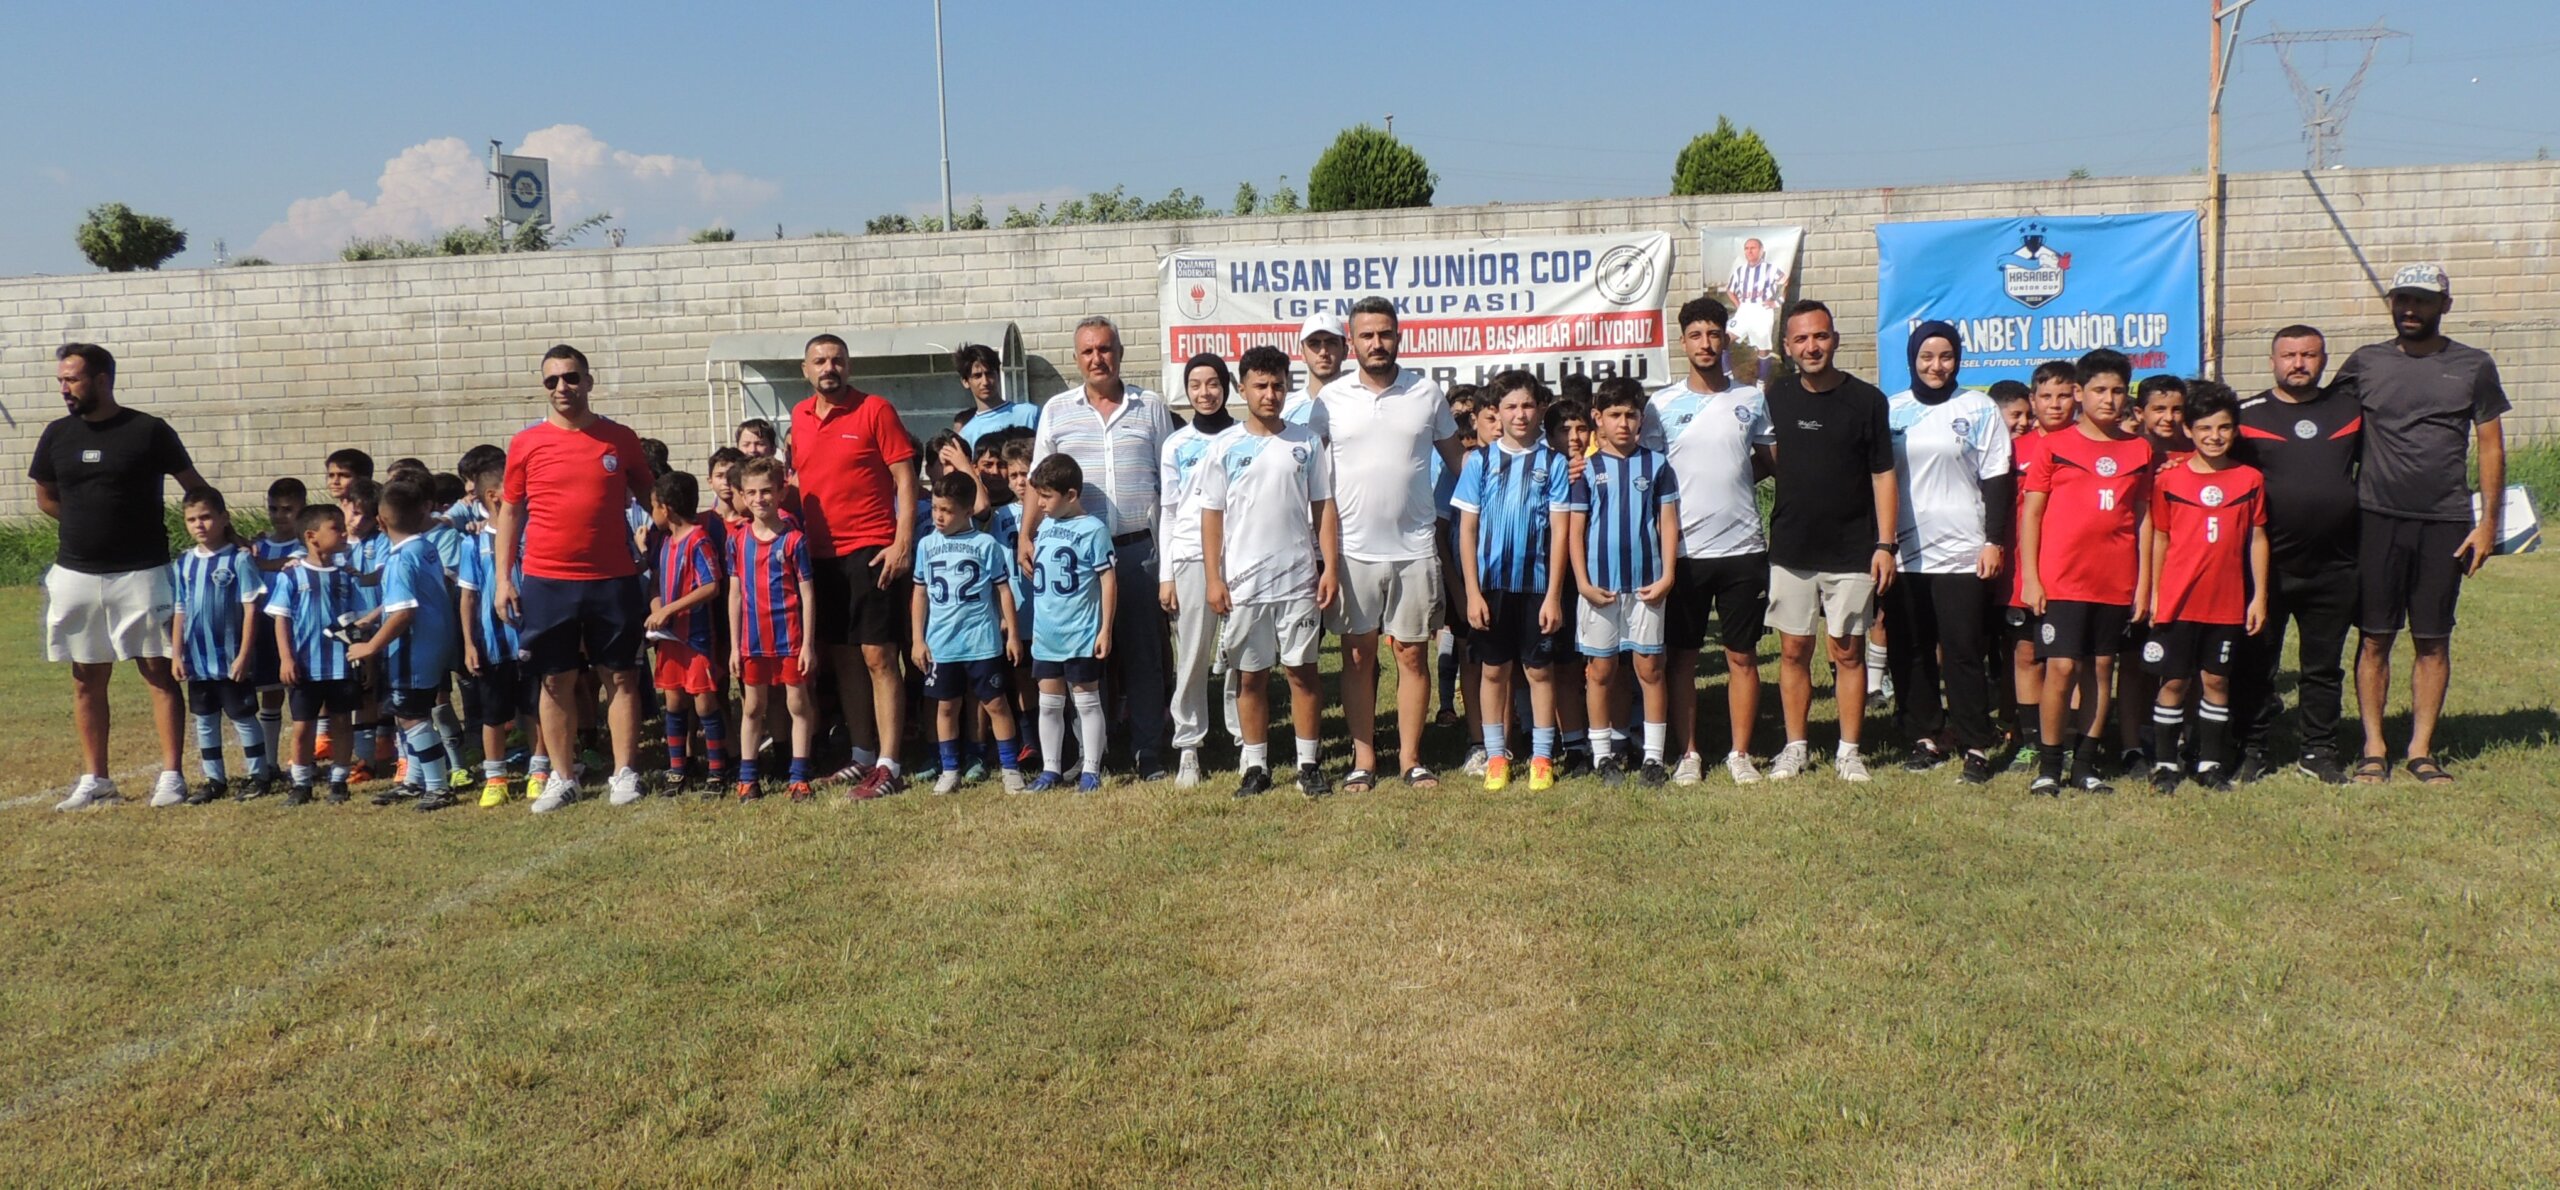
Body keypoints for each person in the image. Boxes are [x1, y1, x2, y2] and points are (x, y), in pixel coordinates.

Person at [2327, 264, 2509, 786]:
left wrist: (2487, 523)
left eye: (2423, 300)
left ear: (2444, 306)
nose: (2411, 309)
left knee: (2432, 640)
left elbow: (2491, 444)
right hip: (2375, 518)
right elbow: (2325, 427)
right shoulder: (2365, 362)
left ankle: (2422, 750)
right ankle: (2373, 747)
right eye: (2403, 298)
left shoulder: (2473, 365)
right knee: (2375, 637)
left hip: (2446, 520)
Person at [31, 343, 209, 810]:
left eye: (71, 379)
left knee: (158, 672)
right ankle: (97, 780)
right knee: (86, 678)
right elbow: (45, 497)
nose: (63, 388)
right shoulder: (56, 434)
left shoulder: (148, 431)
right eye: (60, 380)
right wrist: (86, 525)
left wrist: (216, 534)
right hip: (75, 574)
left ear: (102, 379)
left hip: (143, 571)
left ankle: (171, 775)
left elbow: (196, 488)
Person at [492, 344, 658, 814]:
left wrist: (669, 538)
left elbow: (652, 497)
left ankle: (624, 772)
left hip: (613, 577)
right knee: (554, 680)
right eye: (552, 381)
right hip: (547, 579)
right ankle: (562, 777)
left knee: (621, 676)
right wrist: (503, 579)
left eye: (570, 377)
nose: (562, 388)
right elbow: (511, 512)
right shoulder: (526, 443)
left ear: (588, 380)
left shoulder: (619, 438)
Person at [1310, 296, 1462, 791]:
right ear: (1351, 341)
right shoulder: (1329, 402)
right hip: (1352, 552)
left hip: (1415, 549)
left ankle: (1411, 760)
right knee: (1357, 656)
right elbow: (1313, 480)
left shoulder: (1427, 394)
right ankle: (1363, 760)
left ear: (1400, 336)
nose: (1377, 343)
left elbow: (1462, 466)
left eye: (1386, 334)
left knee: (1413, 655)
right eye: (1367, 335)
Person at [1023, 316, 1174, 780]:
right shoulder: (1057, 410)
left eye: (1105, 349)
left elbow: (1170, 484)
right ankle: (1091, 757)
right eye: (1088, 351)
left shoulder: (1150, 407)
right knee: (1084, 659)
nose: (1097, 359)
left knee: (1144, 655)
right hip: (1075, 556)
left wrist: (1169, 558)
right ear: (1076, 358)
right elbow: (1037, 479)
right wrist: (1026, 535)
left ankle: (1149, 751)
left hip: (1136, 550)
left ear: (1120, 353)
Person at [1762, 300, 1896, 783]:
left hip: (1852, 547)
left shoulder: (1868, 401)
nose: (1811, 346)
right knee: (1794, 650)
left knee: (1847, 651)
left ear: (1835, 339)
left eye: (1819, 336)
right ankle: (1795, 747)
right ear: (1787, 348)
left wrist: (1885, 544)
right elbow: (1767, 459)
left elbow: (1883, 475)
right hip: (1792, 547)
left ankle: (1849, 751)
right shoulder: (1775, 397)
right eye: (1801, 339)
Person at [784, 333, 921, 797]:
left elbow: (906, 477)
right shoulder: (798, 418)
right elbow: (802, 480)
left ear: (849, 366)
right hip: (821, 554)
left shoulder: (875, 410)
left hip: (871, 549)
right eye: (820, 361)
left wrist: (903, 540)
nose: (829, 367)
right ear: (806, 370)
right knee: (843, 656)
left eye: (837, 360)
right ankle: (862, 754)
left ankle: (890, 763)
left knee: (879, 656)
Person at [1645, 298, 1775, 786]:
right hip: (1683, 553)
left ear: (1726, 340)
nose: (1706, 343)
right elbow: (1650, 475)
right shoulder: (1661, 404)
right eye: (1696, 335)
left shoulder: (1751, 398)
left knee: (1742, 655)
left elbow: (1769, 460)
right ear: (1683, 342)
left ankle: (1740, 754)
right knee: (1682, 657)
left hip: (1743, 547)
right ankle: (1690, 753)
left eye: (1714, 334)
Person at [1201, 345, 1341, 798]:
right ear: (1241, 389)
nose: (1270, 394)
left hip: (1298, 579)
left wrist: (1329, 567)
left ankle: (1308, 764)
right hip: (1245, 585)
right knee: (1251, 676)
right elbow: (1212, 517)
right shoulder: (1224, 446)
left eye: (1278, 384)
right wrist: (1214, 578)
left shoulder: (1305, 442)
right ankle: (1256, 765)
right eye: (1260, 385)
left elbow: (1323, 509)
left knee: (1303, 671)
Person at [2019, 348, 2155, 796]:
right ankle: (2049, 763)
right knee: (2060, 668)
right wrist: (2033, 579)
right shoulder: (2053, 446)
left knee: (2101, 668)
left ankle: (2086, 765)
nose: (2109, 399)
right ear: (2079, 393)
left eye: (2118, 391)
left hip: (2114, 582)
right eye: (2099, 390)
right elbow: (2032, 515)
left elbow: (2142, 518)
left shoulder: (2139, 449)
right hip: (2062, 580)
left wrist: (2143, 585)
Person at [1881, 322, 2011, 785]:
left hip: (1963, 553)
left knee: (1963, 652)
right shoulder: (1892, 410)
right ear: (1912, 359)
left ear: (1958, 360)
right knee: (1910, 651)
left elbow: (1997, 477)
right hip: (1904, 555)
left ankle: (1975, 742)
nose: (1936, 366)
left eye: (1946, 356)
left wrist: (1993, 540)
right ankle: (1925, 735)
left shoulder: (1978, 408)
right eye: (1927, 357)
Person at [2233, 325, 2360, 784]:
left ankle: (2319, 750)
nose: (2298, 363)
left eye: (2308, 355)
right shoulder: (2246, 415)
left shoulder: (2350, 409)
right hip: (2266, 568)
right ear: (2273, 361)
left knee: (2323, 667)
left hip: (2335, 564)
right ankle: (2251, 748)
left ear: (2324, 360)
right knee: (2256, 666)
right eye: (2288, 355)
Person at [2142, 382, 2267, 793]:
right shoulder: (2170, 480)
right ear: (2190, 431)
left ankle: (2209, 763)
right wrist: (2157, 592)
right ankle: (2164, 764)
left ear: (2235, 431)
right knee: (2174, 681)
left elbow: (2257, 539)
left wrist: (2259, 595)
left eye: (2224, 428)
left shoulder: (2249, 479)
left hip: (2227, 602)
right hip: (2179, 600)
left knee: (2216, 680)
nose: (2214, 436)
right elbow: (2160, 537)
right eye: (2205, 428)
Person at [1453, 370, 1573, 793]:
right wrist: (1471, 592)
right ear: (1495, 414)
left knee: (1539, 671)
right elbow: (1467, 531)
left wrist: (1554, 595)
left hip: (1537, 587)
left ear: (1539, 408)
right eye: (1510, 407)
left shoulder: (1553, 463)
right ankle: (1496, 755)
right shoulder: (1480, 462)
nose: (1519, 415)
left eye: (1527, 405)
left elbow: (1560, 532)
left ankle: (1541, 756)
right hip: (1490, 587)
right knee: (1493, 671)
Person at [1567, 377, 1680, 786]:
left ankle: (1653, 757)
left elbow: (1668, 522)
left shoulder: (1657, 465)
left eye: (1631, 415)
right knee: (1600, 670)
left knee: (1650, 667)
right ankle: (1603, 756)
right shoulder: (1586, 470)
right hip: (1600, 587)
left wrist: (1668, 574)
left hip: (1647, 585)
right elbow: (1575, 530)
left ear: (1641, 418)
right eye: (1614, 415)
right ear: (1597, 418)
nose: (1623, 423)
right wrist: (1581, 581)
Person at [347, 479, 462, 811]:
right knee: (407, 713)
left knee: (413, 717)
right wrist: (374, 614)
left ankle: (439, 786)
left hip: (413, 650)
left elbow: (404, 613)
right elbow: (416, 594)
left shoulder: (398, 560)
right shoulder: (424, 547)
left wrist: (370, 647)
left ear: (380, 523)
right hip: (435, 644)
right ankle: (414, 781)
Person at [913, 471, 1025, 794]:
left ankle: (1009, 767)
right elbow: (919, 594)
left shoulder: (985, 544)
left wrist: (1013, 634)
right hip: (942, 643)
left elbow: (1003, 591)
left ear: (966, 511)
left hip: (981, 641)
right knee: (946, 706)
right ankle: (950, 768)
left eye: (946, 511)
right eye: (935, 508)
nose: (938, 516)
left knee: (996, 704)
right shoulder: (927, 545)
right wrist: (918, 639)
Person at [1158, 353, 1239, 787]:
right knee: (1192, 654)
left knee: (1243, 652)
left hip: (1241, 556)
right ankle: (1189, 744)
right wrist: (1166, 575)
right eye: (1195, 385)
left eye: (1213, 383)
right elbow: (1168, 512)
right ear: (1186, 390)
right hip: (1189, 555)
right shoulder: (1176, 444)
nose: (1205, 393)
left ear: (1226, 386)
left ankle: (1246, 740)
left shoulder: (1245, 437)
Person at [170, 489, 273, 803]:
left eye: (205, 517)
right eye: (191, 519)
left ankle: (259, 774)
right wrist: (176, 653)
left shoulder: (239, 559)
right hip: (198, 660)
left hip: (230, 658)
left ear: (223, 518)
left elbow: (251, 609)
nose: (199, 525)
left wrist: (243, 654)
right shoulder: (185, 562)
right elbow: (180, 609)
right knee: (204, 719)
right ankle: (214, 778)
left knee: (242, 715)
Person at [1023, 455, 1118, 793]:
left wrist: (1105, 628)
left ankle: (1091, 768)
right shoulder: (1045, 526)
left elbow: (1108, 580)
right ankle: (1051, 768)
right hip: (1047, 633)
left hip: (1079, 632)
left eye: (1047, 496)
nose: (1040, 504)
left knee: (1086, 700)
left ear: (1071, 495)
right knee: (1049, 703)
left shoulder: (1092, 529)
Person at [455, 453, 543, 807]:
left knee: (536, 708)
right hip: (492, 644)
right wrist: (469, 644)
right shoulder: (472, 543)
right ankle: (496, 777)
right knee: (493, 714)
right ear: (495, 497)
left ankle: (539, 770)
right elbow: (468, 597)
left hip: (533, 638)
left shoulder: (534, 533)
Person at [727, 458, 818, 800]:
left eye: (766, 491)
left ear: (781, 493)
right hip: (752, 641)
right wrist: (735, 646)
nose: (759, 498)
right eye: (751, 492)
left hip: (789, 639)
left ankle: (799, 776)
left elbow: (808, 594)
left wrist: (808, 644)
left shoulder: (794, 540)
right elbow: (735, 594)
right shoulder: (737, 540)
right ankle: (748, 778)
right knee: (753, 707)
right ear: (743, 496)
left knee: (797, 703)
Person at [2004, 361, 2080, 774]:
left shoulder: (2090, 444)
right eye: (2046, 397)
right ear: (2032, 401)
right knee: (2027, 655)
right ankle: (2031, 741)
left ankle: (2065, 740)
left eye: (2064, 395)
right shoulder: (2013, 449)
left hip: (2074, 569)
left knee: (2068, 661)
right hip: (2023, 570)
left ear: (2077, 397)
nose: (2055, 405)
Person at [267, 506, 363, 805]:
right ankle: (302, 783)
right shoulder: (293, 575)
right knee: (302, 726)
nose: (344, 532)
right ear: (312, 537)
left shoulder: (345, 576)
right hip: (305, 666)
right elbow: (281, 618)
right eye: (336, 528)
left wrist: (365, 656)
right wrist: (286, 658)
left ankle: (339, 780)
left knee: (342, 722)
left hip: (341, 665)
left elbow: (357, 620)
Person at [646, 471, 731, 796]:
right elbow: (656, 583)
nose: (651, 513)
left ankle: (717, 771)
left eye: (653, 506)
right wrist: (657, 608)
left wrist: (670, 610)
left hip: (695, 640)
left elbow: (710, 585)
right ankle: (677, 770)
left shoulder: (698, 540)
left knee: (705, 704)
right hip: (670, 643)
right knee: (674, 702)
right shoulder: (666, 542)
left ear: (666, 508)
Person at [953, 343, 1038, 448]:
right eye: (977, 376)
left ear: (998, 374)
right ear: (965, 382)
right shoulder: (966, 435)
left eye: (989, 374)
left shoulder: (1029, 414)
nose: (985, 382)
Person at [1282, 311, 1348, 428]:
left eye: (1331, 343)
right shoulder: (1284, 408)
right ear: (1302, 353)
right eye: (1314, 344)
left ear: (1345, 351)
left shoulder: (1362, 403)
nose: (1323, 352)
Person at [1725, 238, 1788, 354]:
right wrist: (1739, 305)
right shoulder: (1740, 271)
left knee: (1763, 349)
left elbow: (1786, 283)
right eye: (1746, 248)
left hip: (1762, 310)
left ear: (1761, 251)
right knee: (1724, 339)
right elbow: (1730, 290)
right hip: (1744, 310)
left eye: (1753, 248)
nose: (1749, 251)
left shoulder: (1771, 269)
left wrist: (1777, 302)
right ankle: (1727, 372)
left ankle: (1763, 372)